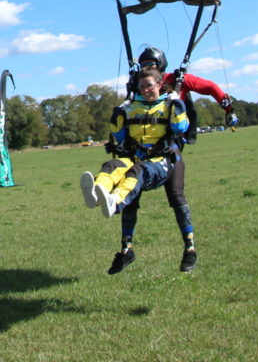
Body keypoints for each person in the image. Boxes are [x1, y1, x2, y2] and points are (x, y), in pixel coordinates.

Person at [81, 69, 191, 273]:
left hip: (159, 161)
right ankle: (96, 194)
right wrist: (119, 113)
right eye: (142, 86)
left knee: (137, 171)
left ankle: (115, 201)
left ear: (159, 84)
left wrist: (178, 105)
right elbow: (119, 135)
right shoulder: (132, 108)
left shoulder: (168, 106)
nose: (146, 90)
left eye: (149, 85)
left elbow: (180, 128)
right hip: (134, 156)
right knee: (112, 166)